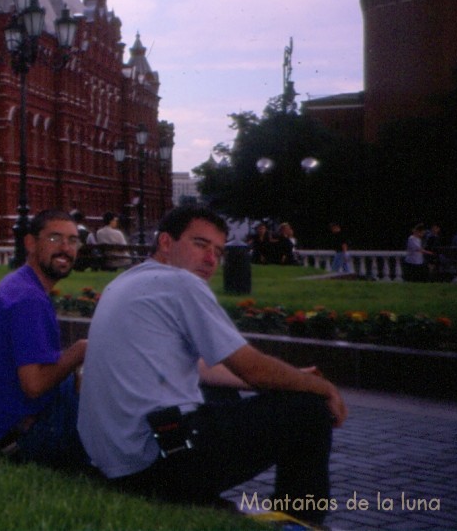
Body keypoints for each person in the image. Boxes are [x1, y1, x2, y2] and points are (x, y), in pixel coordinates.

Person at [78, 205, 347, 525]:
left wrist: (292, 377)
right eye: (200, 245)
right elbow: (252, 368)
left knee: (223, 396)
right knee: (308, 410)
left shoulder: (125, 283)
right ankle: (299, 520)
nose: (210, 260)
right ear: (166, 242)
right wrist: (321, 387)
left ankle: (199, 500)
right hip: (156, 463)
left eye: (218, 251)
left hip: (116, 464)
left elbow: (207, 368)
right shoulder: (180, 283)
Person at [0, 209, 89, 471]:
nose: (65, 248)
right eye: (55, 239)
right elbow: (34, 385)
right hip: (17, 436)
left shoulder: (18, 283)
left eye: (72, 240)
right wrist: (79, 351)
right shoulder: (28, 299)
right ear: (31, 243)